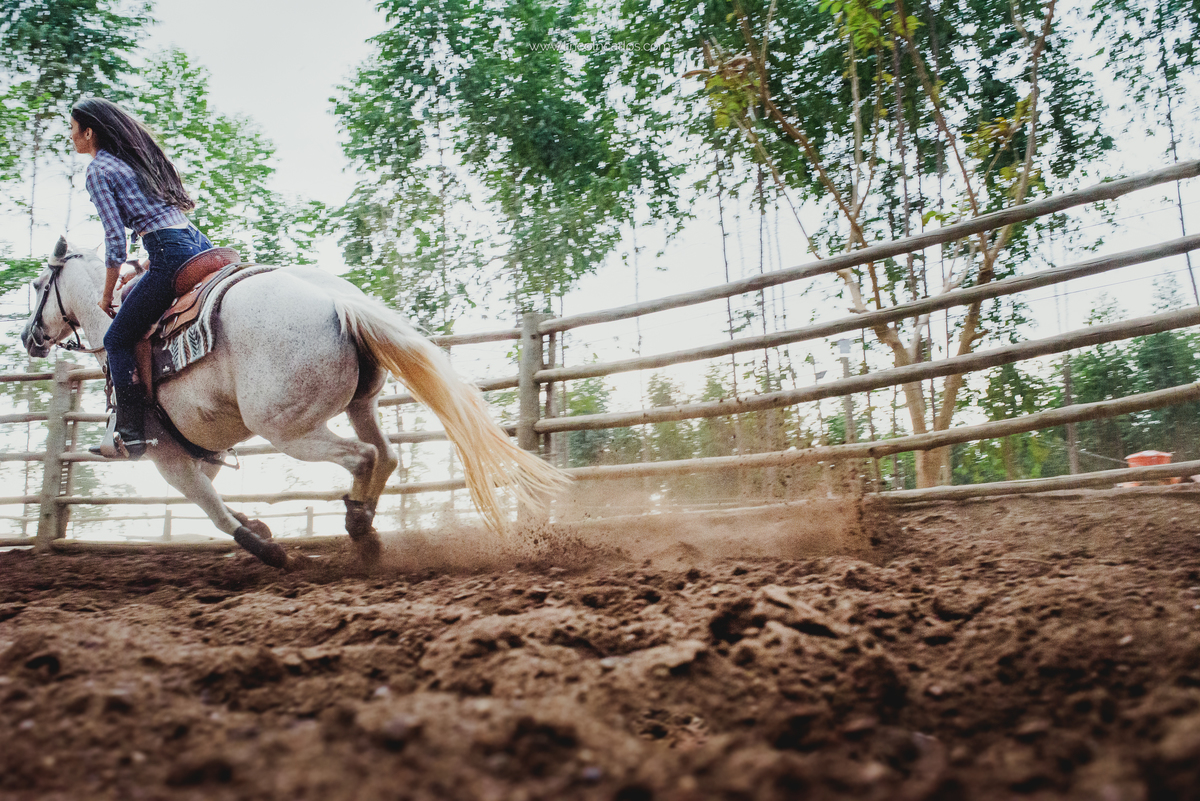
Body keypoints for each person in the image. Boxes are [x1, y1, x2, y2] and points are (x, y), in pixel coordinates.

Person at [70, 98, 213, 459]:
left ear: (89, 132)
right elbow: (161, 219)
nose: (70, 138)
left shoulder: (98, 170)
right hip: (196, 242)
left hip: (169, 250)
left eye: (72, 129)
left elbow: (116, 241)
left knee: (116, 339)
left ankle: (130, 434)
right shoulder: (135, 161)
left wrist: (104, 297)